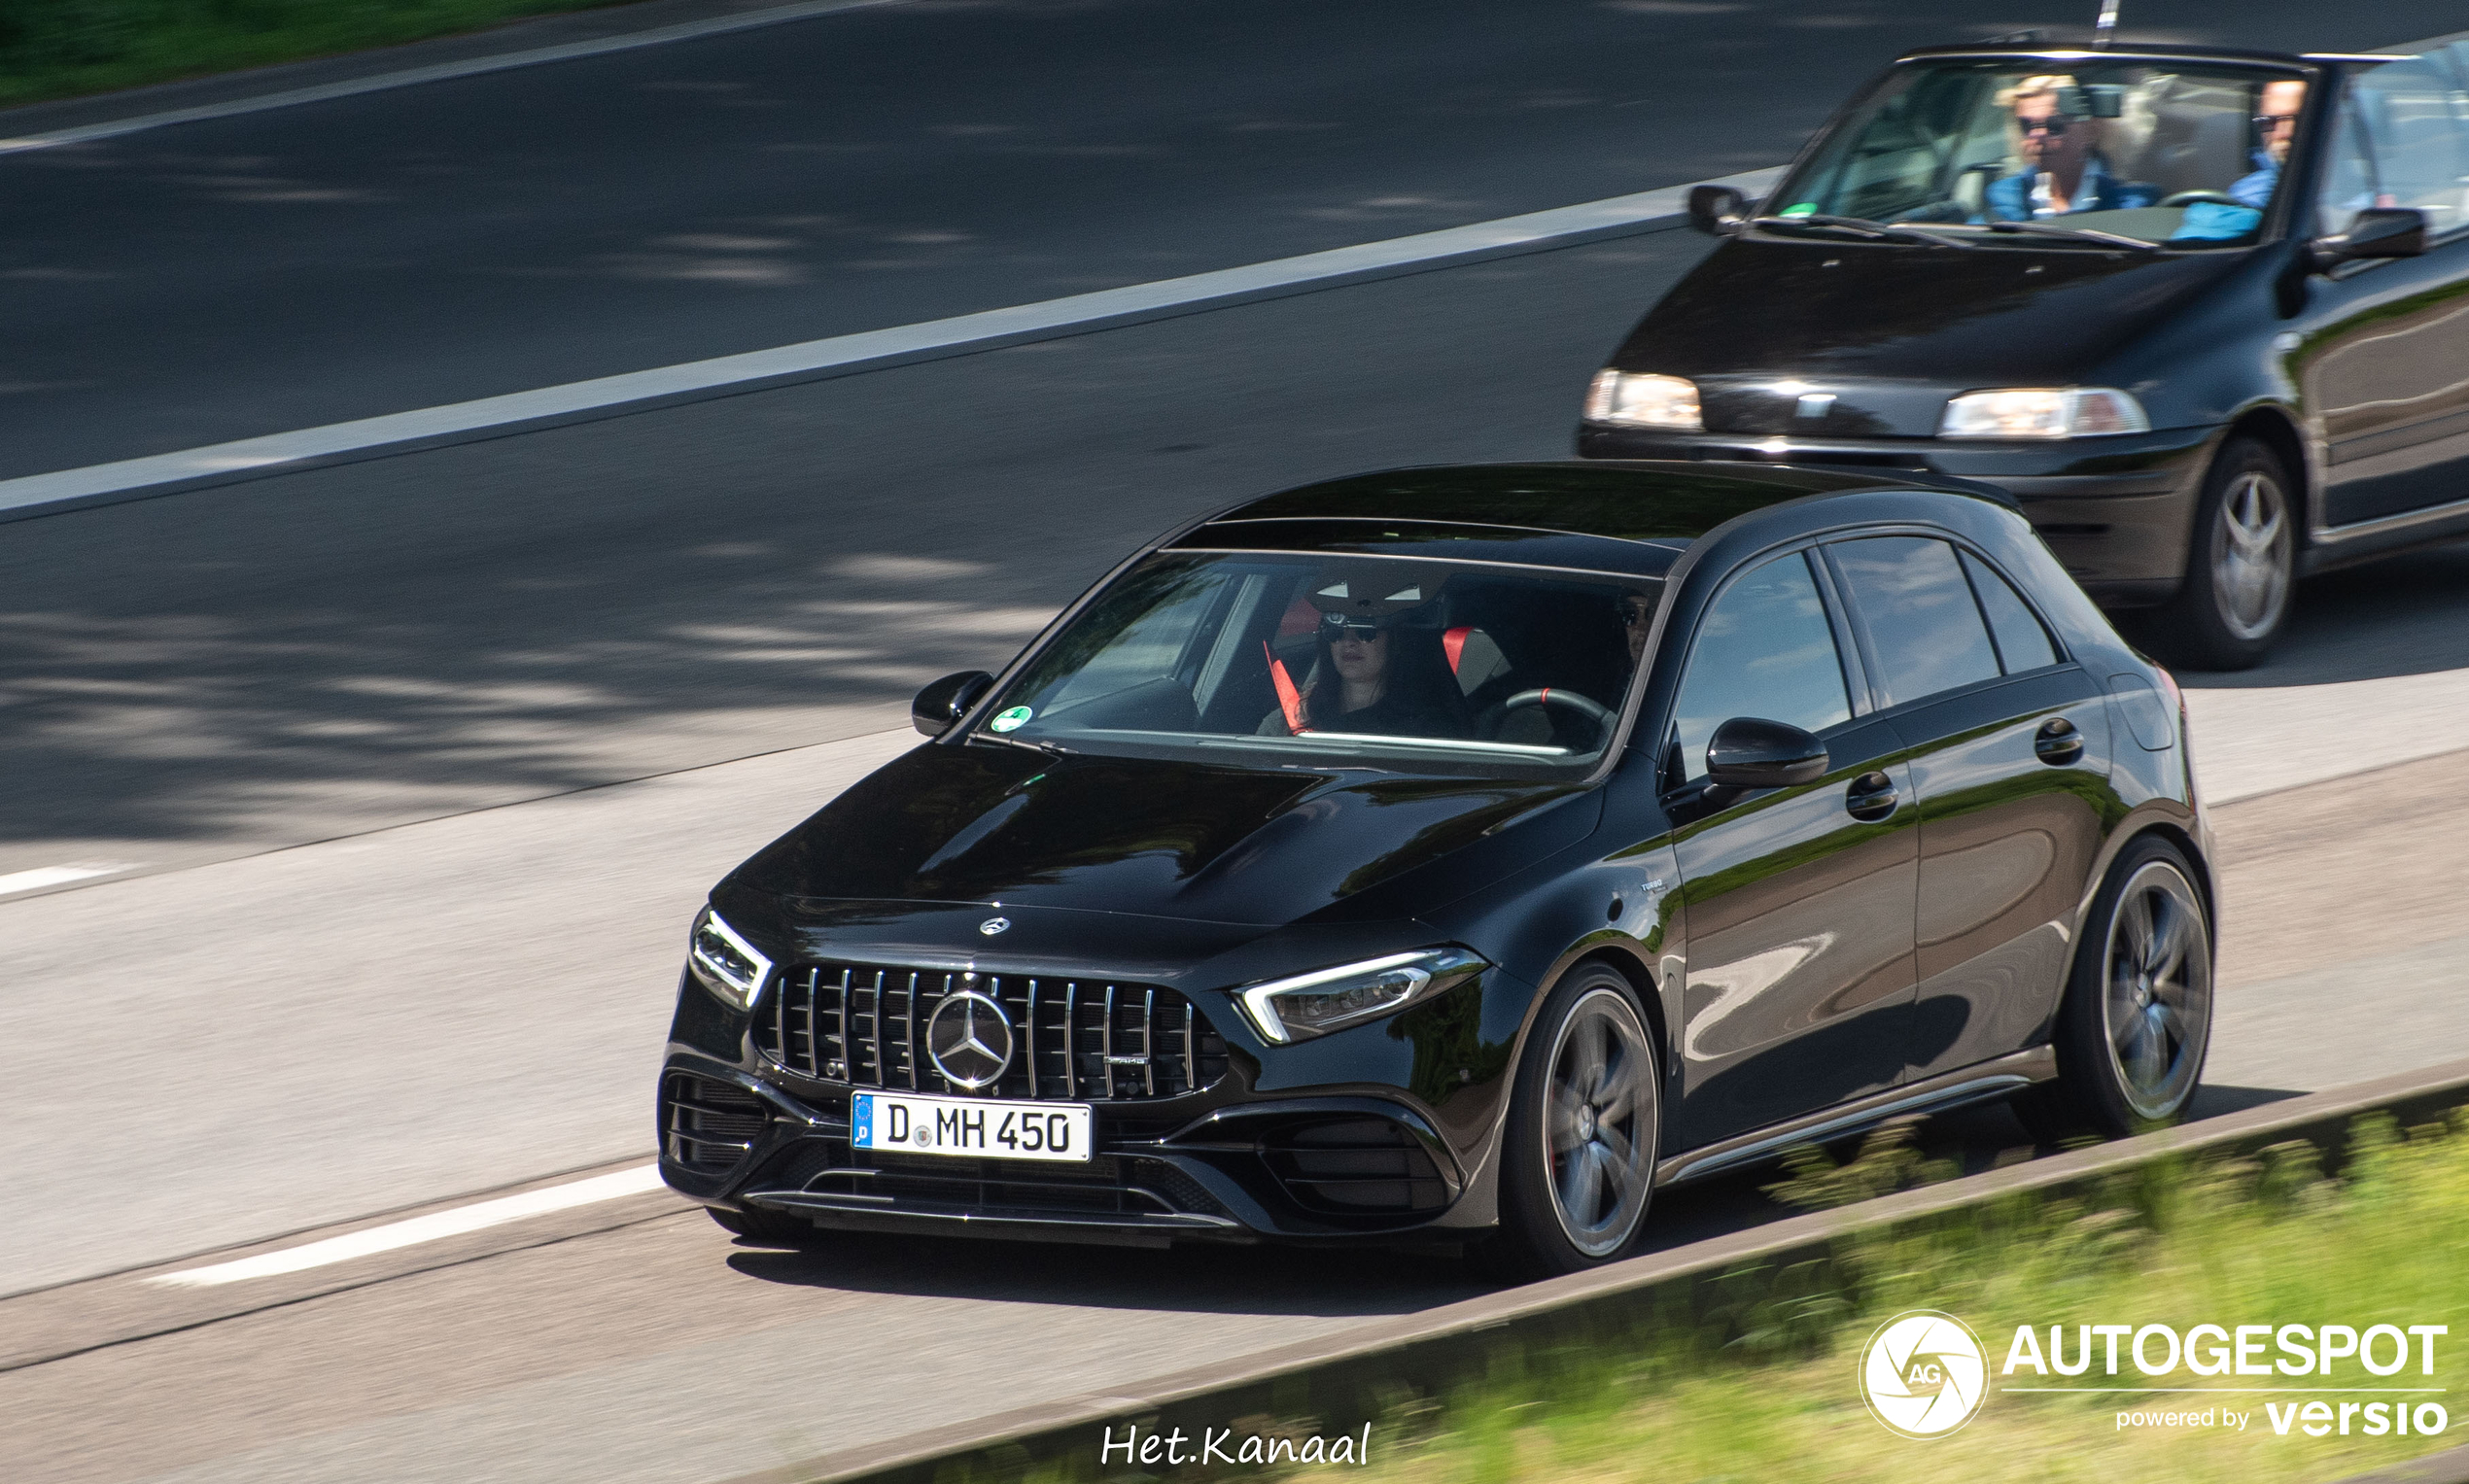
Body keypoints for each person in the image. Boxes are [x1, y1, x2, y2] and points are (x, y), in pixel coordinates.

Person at [1981, 75, 2160, 222]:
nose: (2037, 135)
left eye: (2055, 125)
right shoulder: (2001, 199)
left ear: (2091, 130)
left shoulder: (2132, 203)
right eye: (2026, 126)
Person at [1259, 611, 1464, 738]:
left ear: (1395, 642)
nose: (1349, 641)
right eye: (1336, 631)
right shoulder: (1287, 721)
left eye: (1366, 632)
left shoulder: (1427, 731)